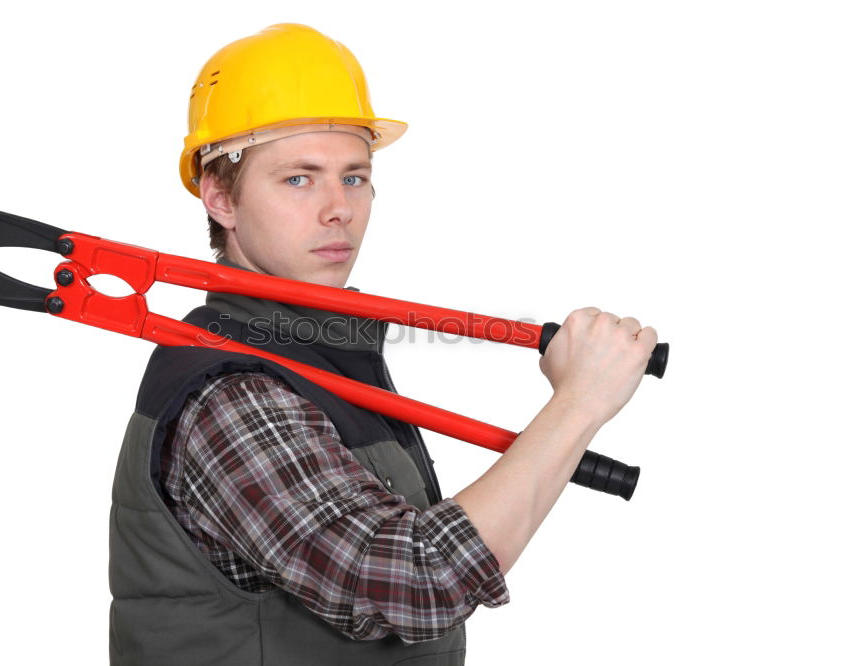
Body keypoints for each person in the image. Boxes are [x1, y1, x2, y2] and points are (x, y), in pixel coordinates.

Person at [108, 23, 658, 665]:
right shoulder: (232, 393)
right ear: (220, 197)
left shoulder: (321, 358)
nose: (338, 208)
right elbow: (418, 583)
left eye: (355, 176)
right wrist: (579, 404)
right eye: (298, 179)